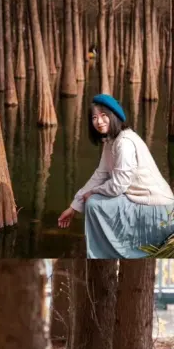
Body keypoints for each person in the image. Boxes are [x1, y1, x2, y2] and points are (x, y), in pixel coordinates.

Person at [58, 94, 174, 258]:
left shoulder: (124, 142)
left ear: (115, 116)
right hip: (141, 202)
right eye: (94, 117)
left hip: (160, 210)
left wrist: (92, 193)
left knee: (94, 203)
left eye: (104, 116)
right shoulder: (111, 141)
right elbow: (100, 175)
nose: (99, 121)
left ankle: (104, 254)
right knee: (92, 200)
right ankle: (102, 251)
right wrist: (74, 206)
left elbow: (119, 185)